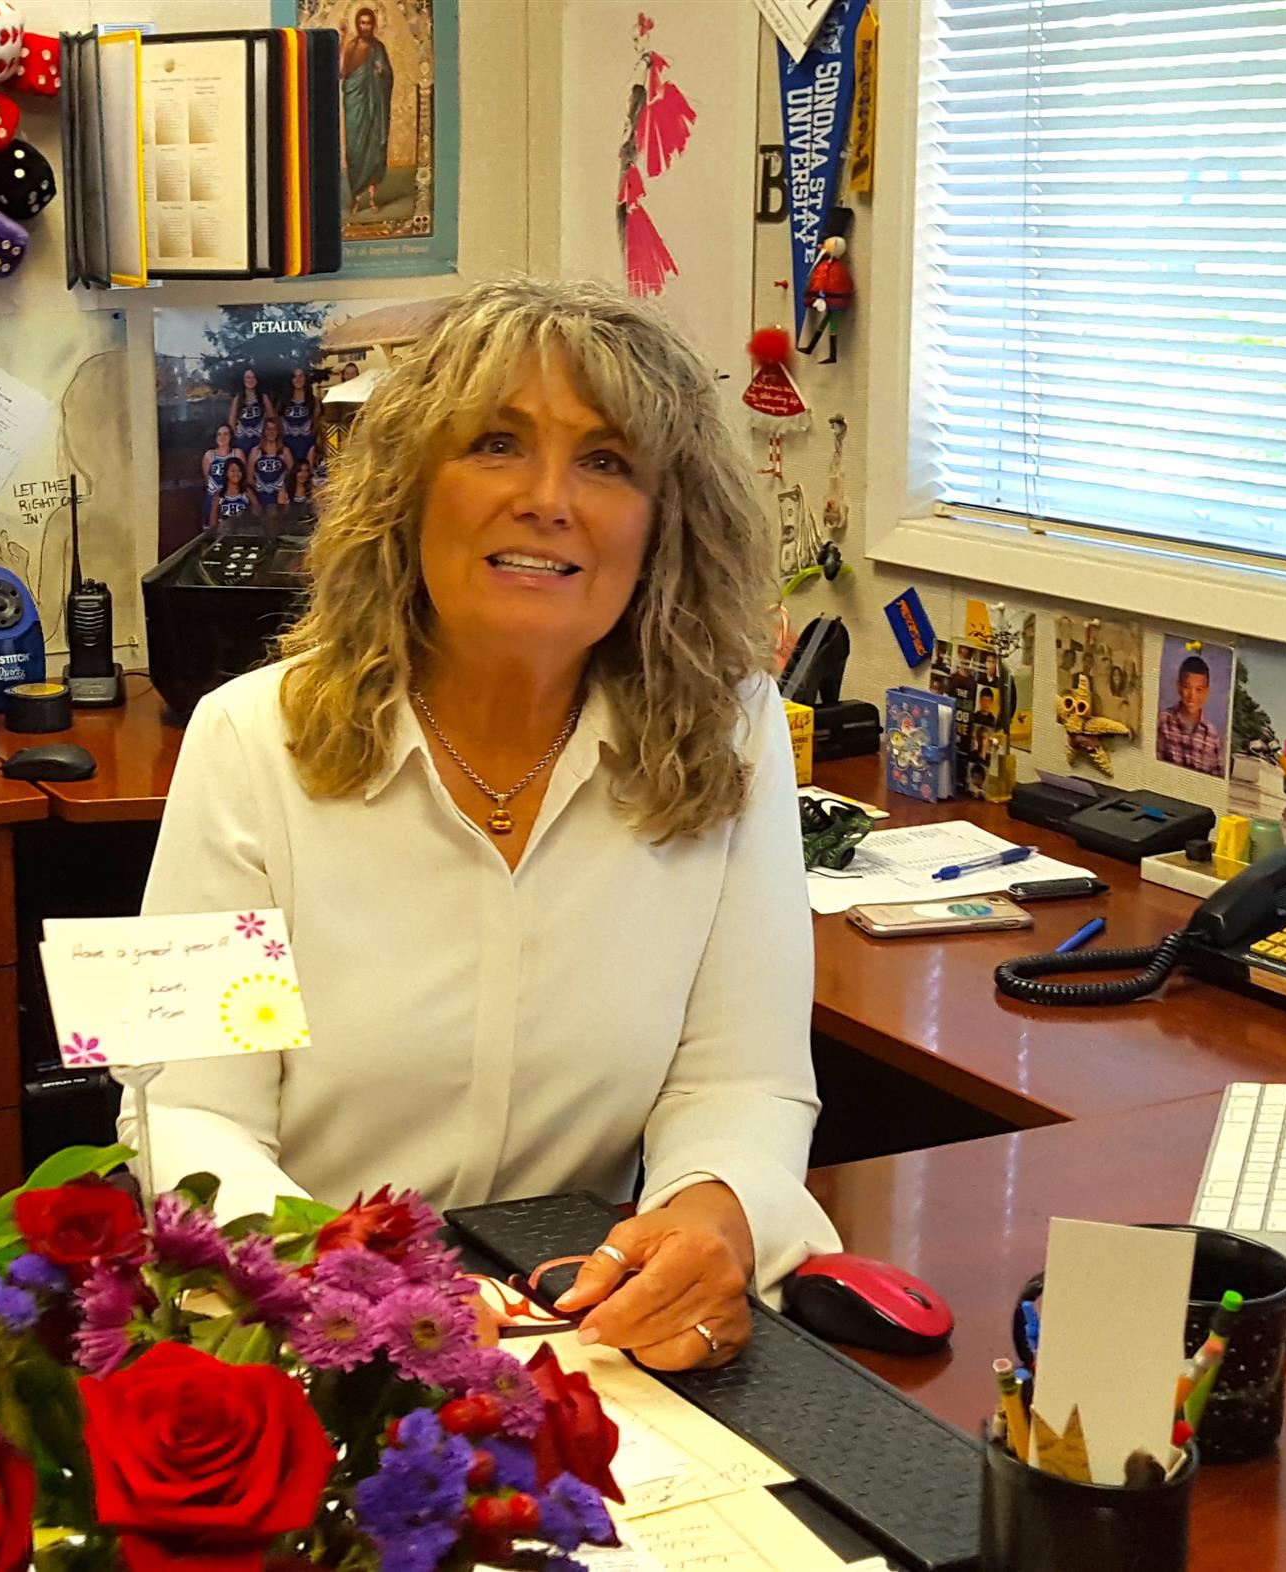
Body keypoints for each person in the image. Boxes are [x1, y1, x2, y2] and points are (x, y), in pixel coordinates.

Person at [133, 277, 840, 1372]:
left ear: (663, 525)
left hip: (583, 1338)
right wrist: (360, 1295)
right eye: (495, 445)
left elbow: (741, 1082)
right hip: (303, 1334)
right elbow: (190, 1120)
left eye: (606, 462)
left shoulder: (733, 734)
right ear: (408, 491)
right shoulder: (248, 744)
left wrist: (713, 1219)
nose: (548, 499)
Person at [341, 6, 393, 214]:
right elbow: (342, 73)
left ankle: (372, 199)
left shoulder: (378, 48)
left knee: (374, 149)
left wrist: (382, 73)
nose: (365, 27)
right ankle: (356, 198)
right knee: (355, 150)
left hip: (374, 105)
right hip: (355, 104)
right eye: (361, 23)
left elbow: (388, 75)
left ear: (373, 25)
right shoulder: (352, 46)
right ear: (357, 25)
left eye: (368, 23)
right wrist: (342, 40)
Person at [1156, 654, 1224, 776]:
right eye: (1187, 687)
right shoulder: (1163, 721)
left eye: (1199, 690)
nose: (1192, 696)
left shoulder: (1212, 735)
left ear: (1207, 692)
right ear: (1179, 687)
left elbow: (1217, 777)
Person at [201, 423, 244, 528]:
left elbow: (243, 475)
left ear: (231, 436)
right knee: (211, 530)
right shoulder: (209, 455)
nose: (222, 437)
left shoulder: (237, 453)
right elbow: (207, 478)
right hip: (213, 497)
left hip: (234, 498)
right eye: (219, 434)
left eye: (225, 434)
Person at [248, 416, 292, 509]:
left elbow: (292, 474)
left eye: (274, 429)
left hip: (280, 497)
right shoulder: (255, 451)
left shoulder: (284, 451)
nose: (271, 432)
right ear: (263, 431)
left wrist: (283, 489)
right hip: (260, 497)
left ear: (278, 431)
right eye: (268, 429)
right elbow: (249, 478)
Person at [229, 367, 273, 455]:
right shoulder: (238, 399)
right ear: (243, 380)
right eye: (248, 377)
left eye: (253, 377)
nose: (250, 380)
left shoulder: (263, 397)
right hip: (242, 440)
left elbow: (271, 418)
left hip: (260, 439)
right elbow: (232, 422)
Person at [280, 368, 317, 466]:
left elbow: (316, 422)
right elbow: (277, 420)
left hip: (307, 442)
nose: (298, 379)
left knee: (306, 472)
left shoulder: (313, 400)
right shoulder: (284, 400)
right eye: (295, 376)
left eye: (301, 376)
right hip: (288, 442)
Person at [212, 456, 257, 527]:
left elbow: (257, 513)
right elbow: (213, 520)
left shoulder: (247, 492)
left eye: (239, 471)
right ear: (226, 473)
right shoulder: (219, 494)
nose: (236, 474)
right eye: (233, 471)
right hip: (225, 533)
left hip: (244, 532)